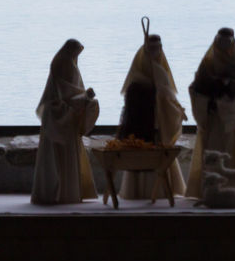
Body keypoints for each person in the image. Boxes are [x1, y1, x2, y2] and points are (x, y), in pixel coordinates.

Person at [117, 23, 187, 200]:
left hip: (157, 121)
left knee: (156, 154)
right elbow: (131, 95)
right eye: (152, 48)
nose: (155, 51)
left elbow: (168, 96)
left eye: (158, 48)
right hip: (140, 120)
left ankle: (157, 190)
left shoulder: (160, 71)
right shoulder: (140, 71)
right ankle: (140, 191)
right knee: (142, 153)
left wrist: (175, 109)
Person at [30, 39, 100, 204]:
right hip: (59, 115)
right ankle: (63, 193)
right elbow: (65, 97)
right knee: (62, 157)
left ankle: (55, 192)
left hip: (59, 116)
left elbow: (68, 95)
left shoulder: (64, 63)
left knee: (55, 157)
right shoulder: (65, 66)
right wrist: (85, 98)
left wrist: (83, 98)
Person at [186, 27, 235, 199]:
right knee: (212, 152)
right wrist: (208, 98)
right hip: (212, 119)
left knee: (229, 156)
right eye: (221, 42)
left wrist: (225, 96)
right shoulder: (207, 64)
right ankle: (209, 190)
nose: (224, 45)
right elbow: (195, 88)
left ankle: (233, 191)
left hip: (228, 120)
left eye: (228, 42)